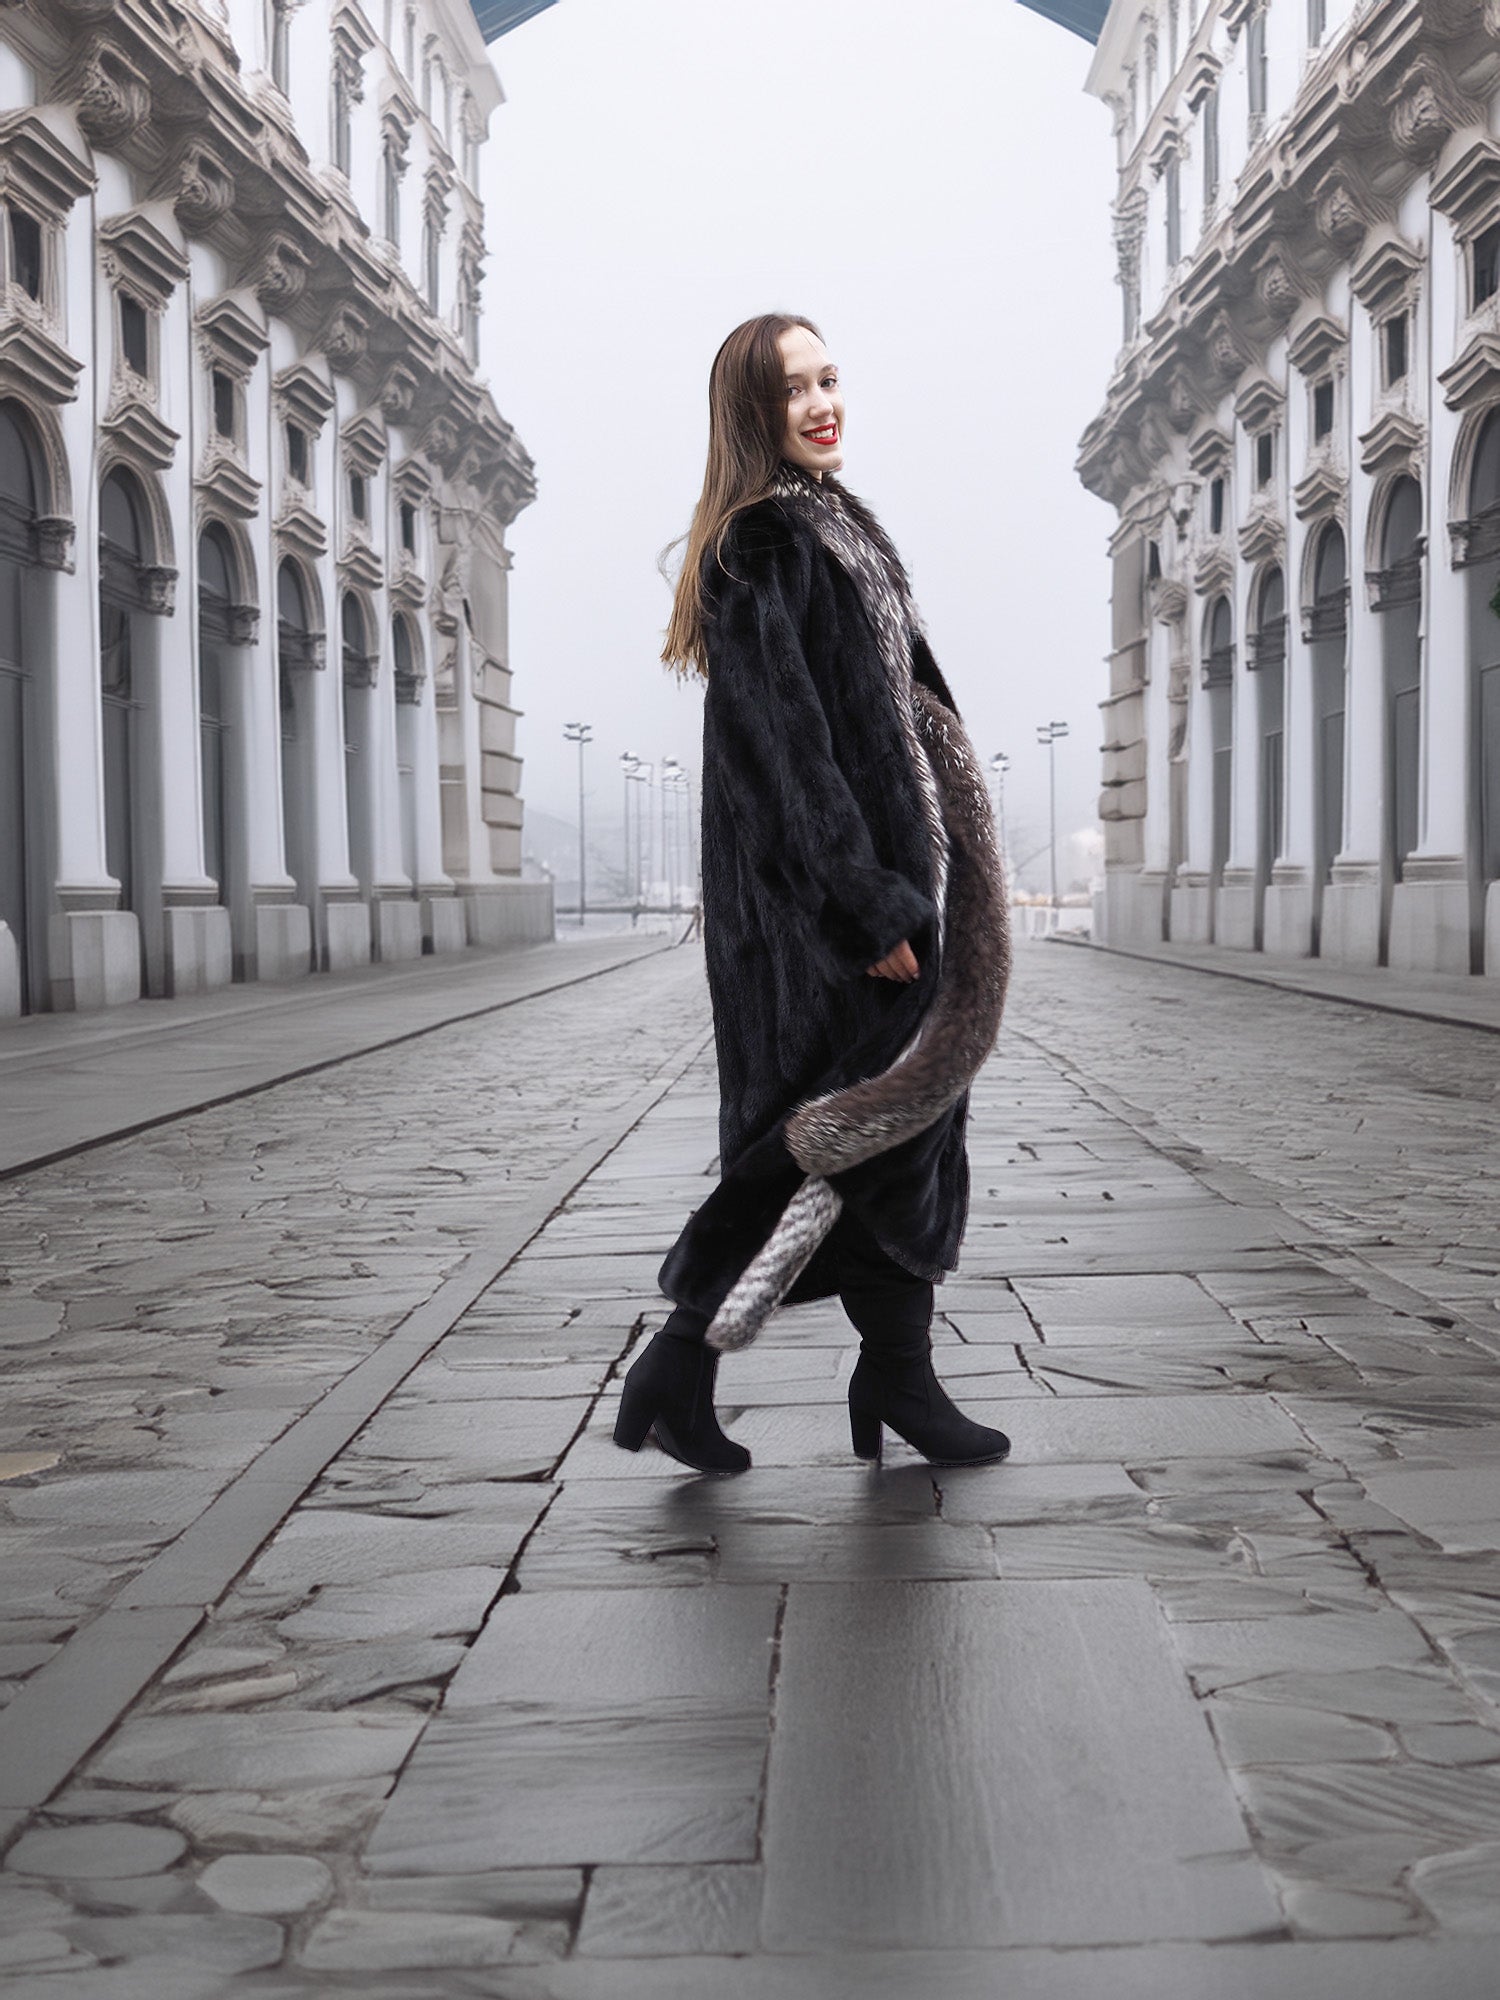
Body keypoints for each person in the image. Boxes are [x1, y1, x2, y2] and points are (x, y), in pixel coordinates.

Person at [613, 312, 1011, 1475]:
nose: (823, 404)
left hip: (887, 890)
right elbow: (778, 746)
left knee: (896, 1133)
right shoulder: (765, 544)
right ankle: (687, 1359)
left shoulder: (840, 530)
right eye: (794, 389)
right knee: (832, 1138)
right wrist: (861, 902)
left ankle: (887, 1374)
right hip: (820, 922)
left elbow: (903, 710)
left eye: (829, 379)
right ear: (754, 413)